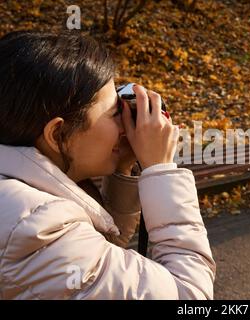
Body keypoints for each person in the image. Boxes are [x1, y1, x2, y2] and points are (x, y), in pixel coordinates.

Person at [0, 31, 215, 299]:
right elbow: (189, 296)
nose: (125, 125)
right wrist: (161, 170)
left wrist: (123, 169)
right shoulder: (39, 233)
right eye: (114, 112)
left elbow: (101, 261)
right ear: (57, 134)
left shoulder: (20, 201)